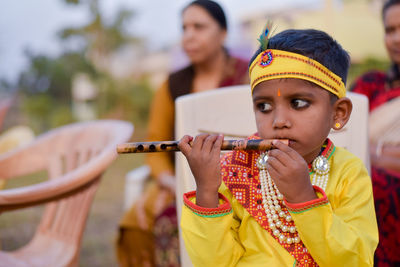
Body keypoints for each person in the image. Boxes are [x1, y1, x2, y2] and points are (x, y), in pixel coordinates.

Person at [178, 26, 379, 266]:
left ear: (339, 112)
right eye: (264, 106)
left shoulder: (349, 174)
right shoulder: (234, 170)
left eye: (298, 103)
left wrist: (303, 197)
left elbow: (356, 260)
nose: (278, 121)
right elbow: (214, 262)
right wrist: (207, 191)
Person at [116, 1, 249, 266]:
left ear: (223, 33)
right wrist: (170, 182)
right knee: (141, 218)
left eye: (199, 26)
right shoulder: (172, 85)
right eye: (184, 28)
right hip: (183, 180)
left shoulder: (248, 76)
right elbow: (155, 146)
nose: (188, 35)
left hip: (243, 176)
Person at [351, 0, 400, 265]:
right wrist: (381, 155)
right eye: (390, 29)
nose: (396, 38)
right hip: (360, 206)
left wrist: (368, 153)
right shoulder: (371, 84)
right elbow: (337, 138)